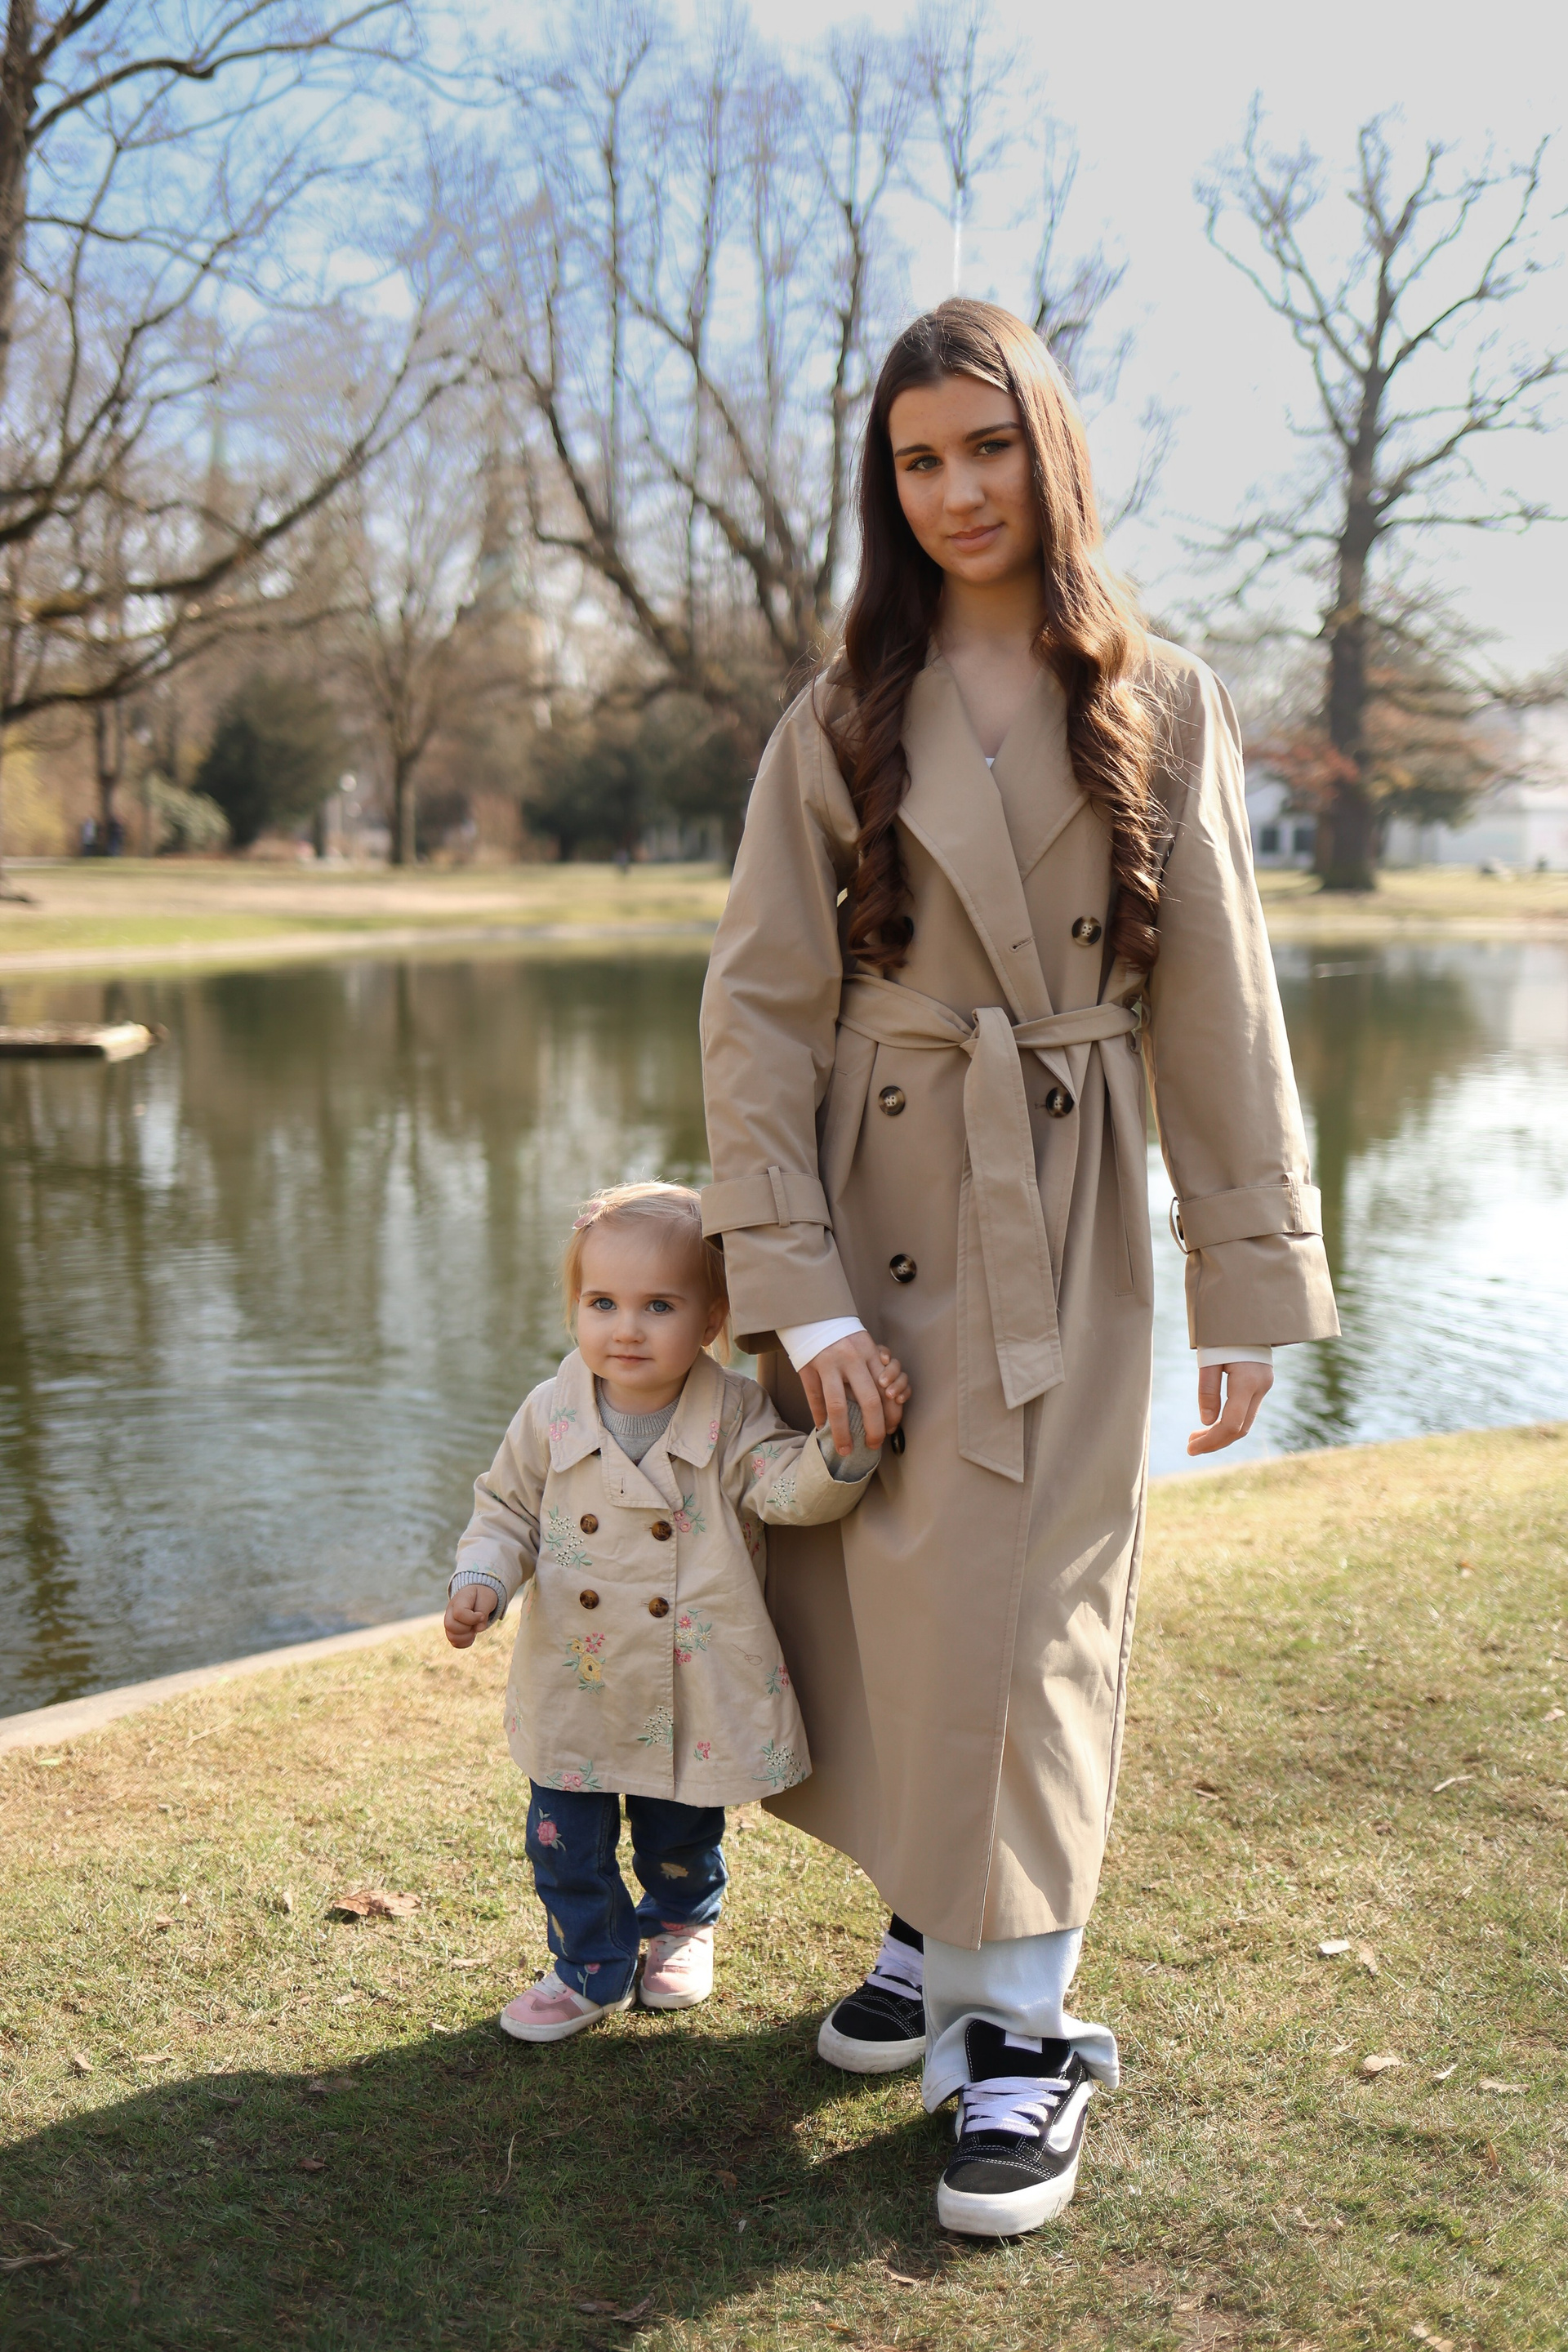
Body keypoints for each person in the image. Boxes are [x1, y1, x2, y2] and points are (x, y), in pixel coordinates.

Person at [698, 300, 1338, 2237]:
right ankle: (932, 1923)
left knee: (1035, 1607)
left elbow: (1220, 1011)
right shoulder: (838, 716)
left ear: (1047, 452)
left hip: (1062, 1212)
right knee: (892, 1587)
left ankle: (1015, 2036)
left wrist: (1245, 1281)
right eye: (918, 459)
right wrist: (797, 1288)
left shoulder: (1166, 700)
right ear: (885, 484)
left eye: (987, 446)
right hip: (872, 1201)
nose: (956, 488)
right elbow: (759, 1010)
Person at [445, 1181, 908, 2044]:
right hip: (577, 1668)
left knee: (680, 1822)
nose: (626, 1328)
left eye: (658, 1305)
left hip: (685, 1667)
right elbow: (504, 1510)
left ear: (711, 1320)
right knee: (561, 1836)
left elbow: (782, 1490)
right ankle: (589, 1966)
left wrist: (846, 1445)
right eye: (602, 1303)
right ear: (575, 1307)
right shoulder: (549, 1413)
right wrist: (484, 1578)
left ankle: (679, 1926)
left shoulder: (731, 1411)